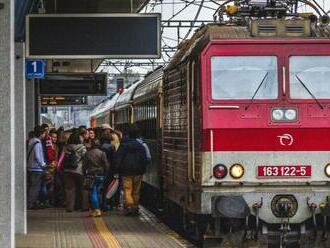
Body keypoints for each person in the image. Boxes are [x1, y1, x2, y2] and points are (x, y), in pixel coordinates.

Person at [114, 125, 147, 216]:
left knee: (127, 190)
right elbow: (144, 159)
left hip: (126, 171)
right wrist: (143, 169)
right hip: (138, 171)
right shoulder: (140, 146)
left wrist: (117, 169)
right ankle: (135, 208)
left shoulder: (123, 146)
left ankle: (129, 207)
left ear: (128, 135)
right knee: (136, 191)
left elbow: (118, 158)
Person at [83, 140, 110, 217]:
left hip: (91, 175)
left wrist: (84, 173)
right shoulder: (102, 153)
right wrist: (105, 174)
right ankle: (97, 208)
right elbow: (106, 165)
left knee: (93, 192)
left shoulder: (88, 153)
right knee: (99, 192)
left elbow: (84, 165)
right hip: (100, 175)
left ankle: (96, 209)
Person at [63, 133, 88, 212]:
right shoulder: (82, 147)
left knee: (69, 189)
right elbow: (86, 158)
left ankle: (70, 207)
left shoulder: (66, 147)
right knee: (83, 188)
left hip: (67, 170)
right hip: (79, 170)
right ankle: (84, 206)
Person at [27, 125, 48, 209]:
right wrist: (43, 164)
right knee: (35, 187)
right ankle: (31, 203)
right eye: (43, 133)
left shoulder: (31, 141)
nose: (44, 135)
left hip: (30, 167)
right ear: (41, 133)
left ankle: (32, 202)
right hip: (36, 168)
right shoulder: (37, 143)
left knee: (32, 186)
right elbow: (38, 156)